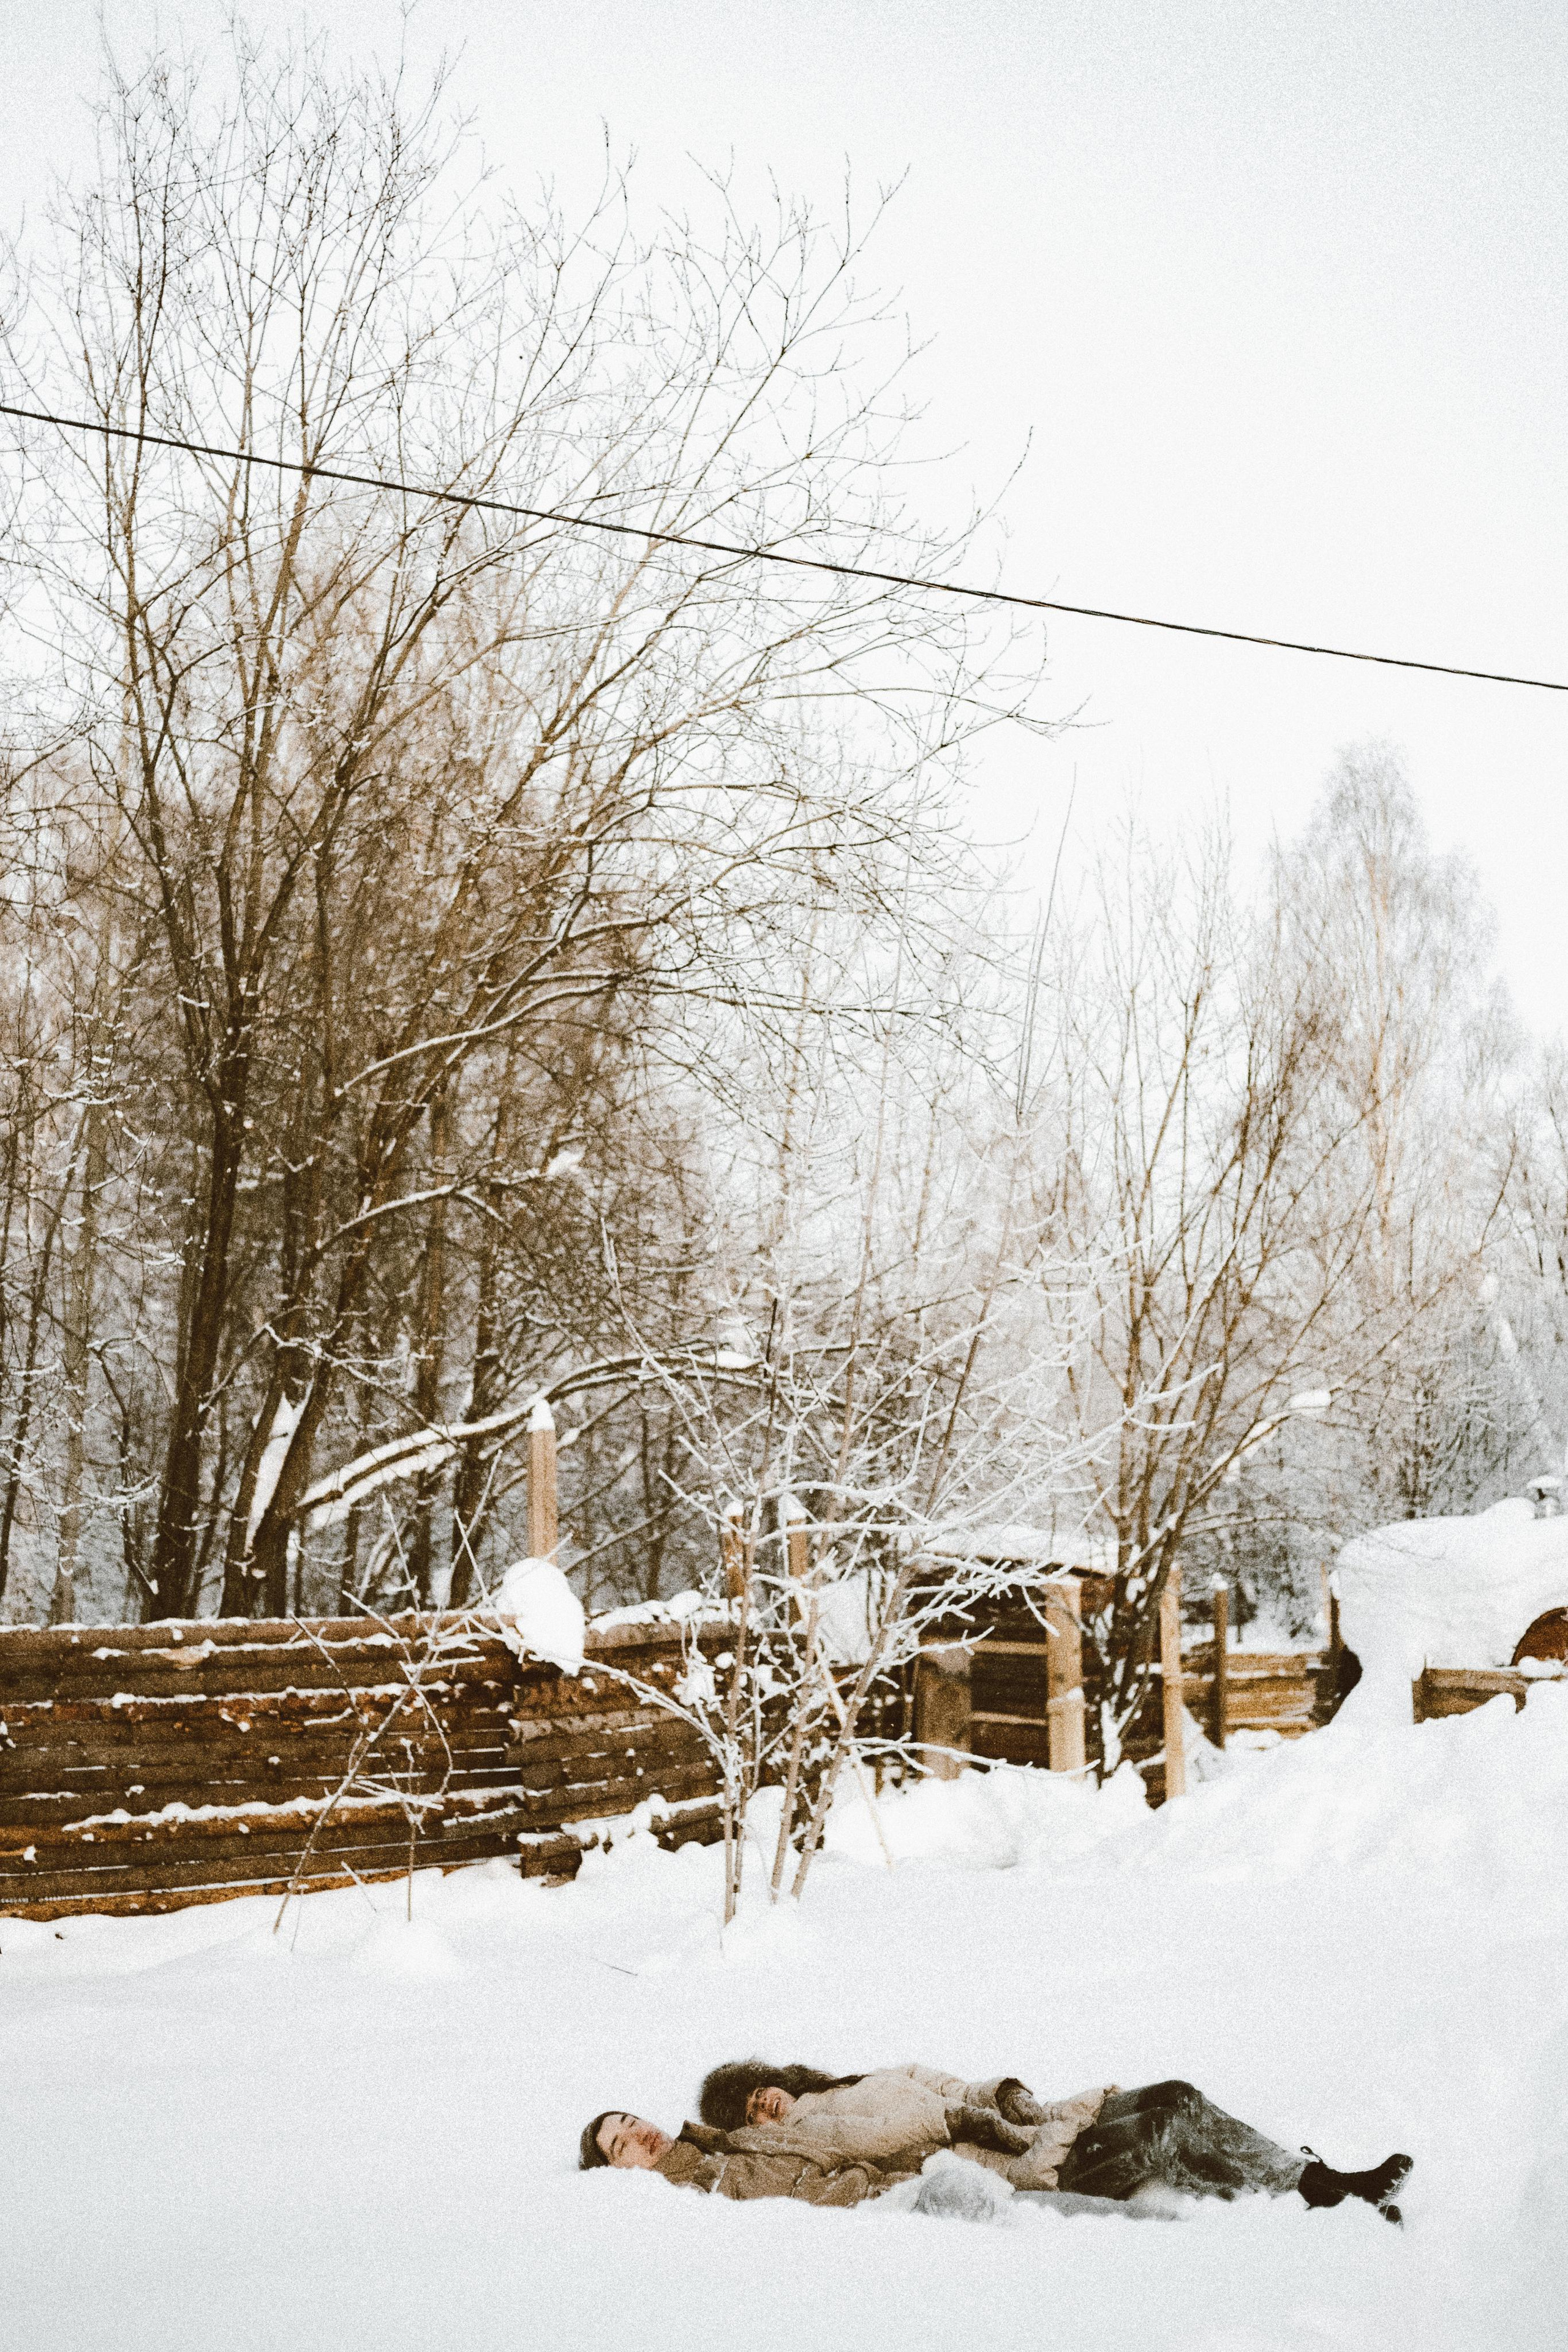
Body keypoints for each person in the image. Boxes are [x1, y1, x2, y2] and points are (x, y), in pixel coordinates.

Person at [693, 2058, 1412, 2220]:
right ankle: (1320, 2192)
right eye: (750, 2112)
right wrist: (968, 2123)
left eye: (758, 2092)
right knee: (1164, 2127)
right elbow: (892, 2139)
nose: (764, 2106)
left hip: (1031, 2125)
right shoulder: (815, 2131)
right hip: (1025, 2167)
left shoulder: (860, 2078)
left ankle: (1297, 2178)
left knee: (1175, 2096)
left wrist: (1004, 2095)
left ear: (773, 2074)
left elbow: (948, 2086)